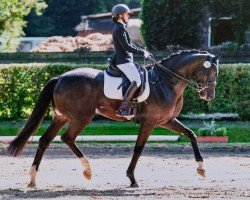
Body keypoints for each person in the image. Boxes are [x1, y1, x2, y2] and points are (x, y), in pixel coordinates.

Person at [111, 4, 151, 118]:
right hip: (123, 61)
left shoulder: (121, 27)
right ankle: (123, 108)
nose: (128, 16)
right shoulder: (119, 28)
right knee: (137, 81)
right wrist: (142, 53)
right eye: (126, 14)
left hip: (126, 60)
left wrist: (142, 50)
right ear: (119, 16)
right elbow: (127, 47)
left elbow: (130, 45)